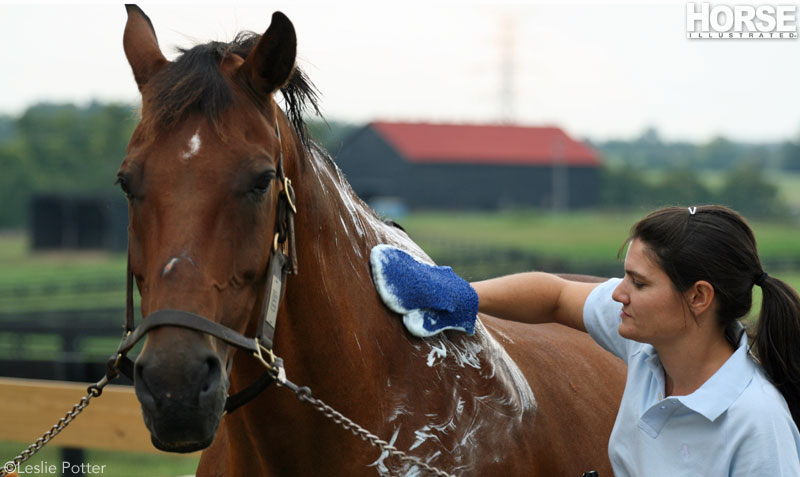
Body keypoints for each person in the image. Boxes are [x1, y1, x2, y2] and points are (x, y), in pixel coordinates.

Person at [470, 205, 800, 475]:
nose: (618, 293)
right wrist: (461, 293)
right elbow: (555, 296)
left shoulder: (757, 423)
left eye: (639, 284)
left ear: (699, 296)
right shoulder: (646, 343)